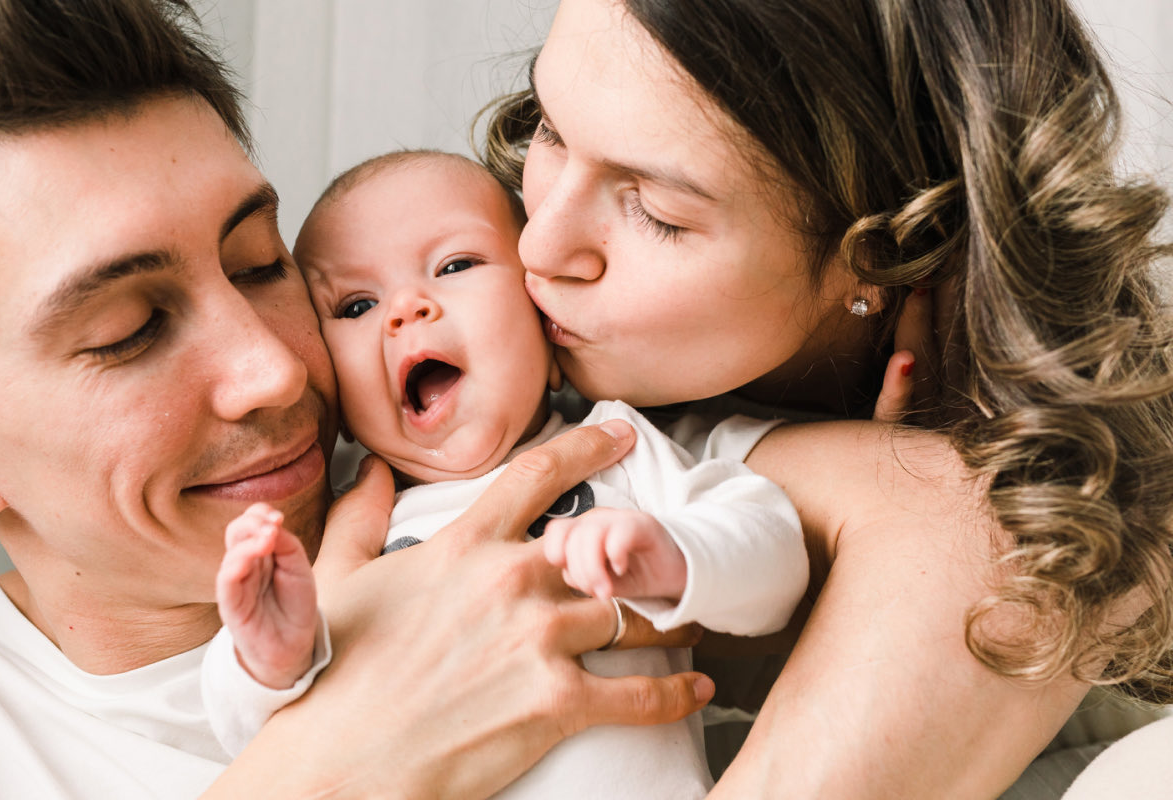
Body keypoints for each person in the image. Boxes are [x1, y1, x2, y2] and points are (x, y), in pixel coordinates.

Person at [0, 2, 716, 798]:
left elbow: (853, 491)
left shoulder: (486, 457)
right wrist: (336, 765)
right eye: (129, 330)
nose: (273, 369)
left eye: (258, 266)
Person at [478, 0, 1173, 795]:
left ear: (890, 246)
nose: (538, 245)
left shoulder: (1074, 453)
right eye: (551, 129)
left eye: (659, 215)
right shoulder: (442, 292)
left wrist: (898, 494)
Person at [200, 150, 807, 799]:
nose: (406, 309)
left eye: (455, 265)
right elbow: (270, 747)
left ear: (551, 332)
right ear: (339, 405)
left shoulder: (618, 446)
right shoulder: (354, 529)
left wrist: (676, 557)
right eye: (355, 306)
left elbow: (775, 560)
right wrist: (268, 653)